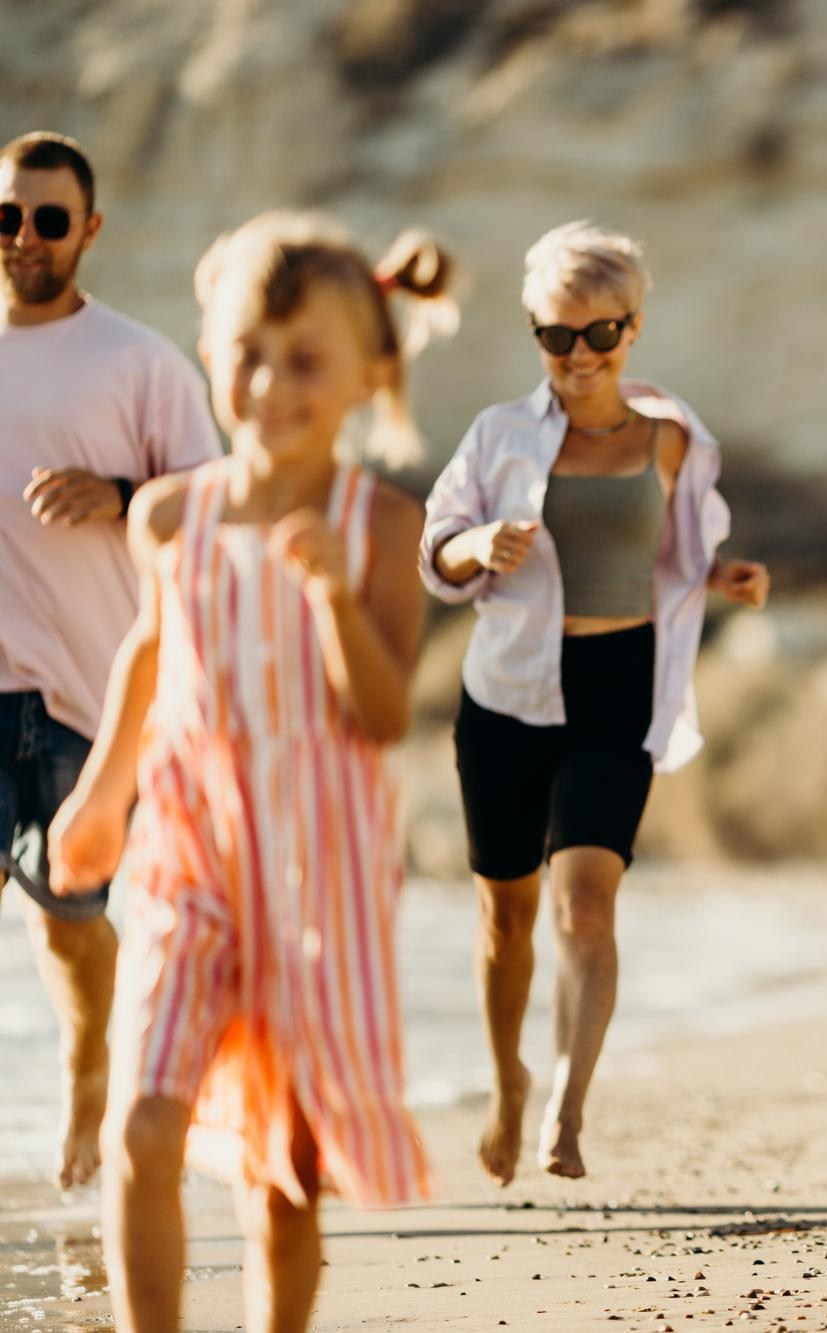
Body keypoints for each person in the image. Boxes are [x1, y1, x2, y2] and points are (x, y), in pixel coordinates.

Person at [47, 210, 451, 1333]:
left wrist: (329, 594)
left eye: (305, 361)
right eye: (246, 358)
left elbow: (378, 715)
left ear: (370, 375)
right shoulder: (173, 514)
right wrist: (99, 797)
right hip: (189, 854)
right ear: (211, 358)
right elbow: (150, 651)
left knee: (284, 1167)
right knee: (144, 1121)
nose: (271, 385)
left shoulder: (381, 526)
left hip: (320, 877)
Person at [421, 221, 769, 1184]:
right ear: (534, 331)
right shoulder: (497, 434)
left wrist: (723, 574)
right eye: (555, 335)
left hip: (618, 691)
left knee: (585, 909)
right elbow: (438, 545)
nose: (578, 356)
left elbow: (678, 554)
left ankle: (567, 1114)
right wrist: (474, 544)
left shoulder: (671, 438)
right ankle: (507, 1083)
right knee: (506, 921)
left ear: (634, 329)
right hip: (504, 697)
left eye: (600, 334)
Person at [0, 130, 220, 1190]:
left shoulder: (138, 361)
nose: (25, 237)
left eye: (49, 218)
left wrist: (121, 497)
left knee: (68, 929)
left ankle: (90, 1063)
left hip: (83, 696)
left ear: (89, 229)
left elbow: (221, 508)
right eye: (8, 215)